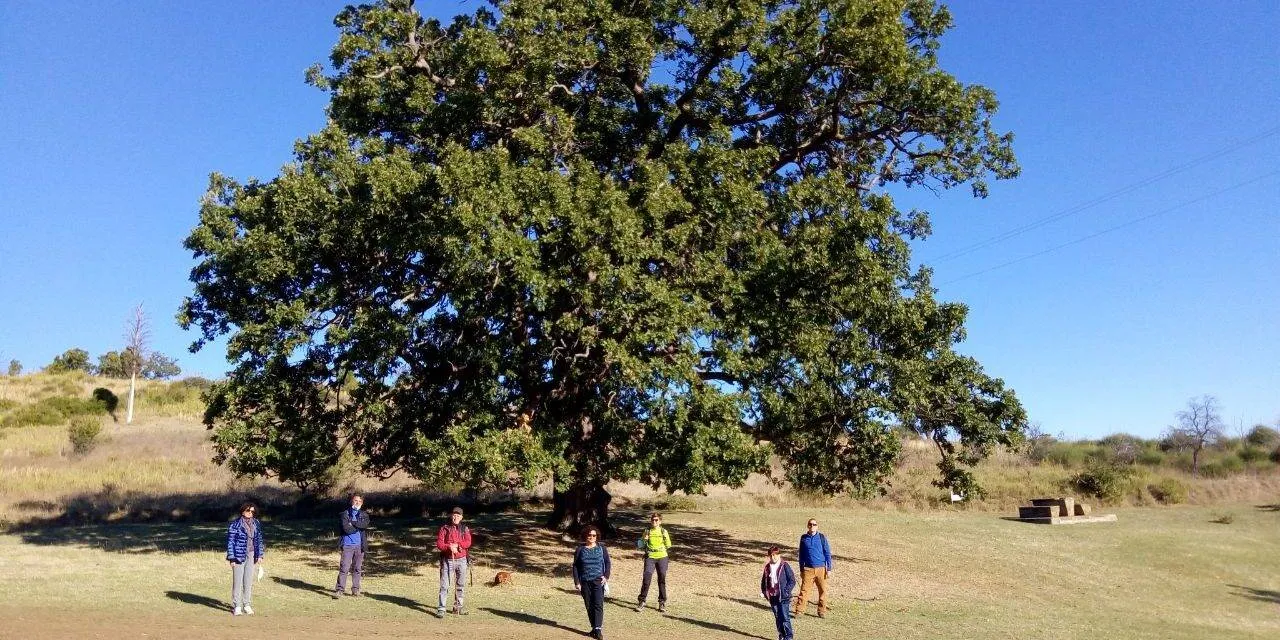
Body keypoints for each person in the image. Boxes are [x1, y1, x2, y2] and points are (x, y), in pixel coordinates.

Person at [572, 525, 612, 640]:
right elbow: (575, 566)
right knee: (589, 605)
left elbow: (607, 563)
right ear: (585, 536)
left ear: (597, 536)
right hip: (585, 582)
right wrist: (577, 582)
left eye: (594, 535)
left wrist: (606, 576)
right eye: (589, 535)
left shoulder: (602, 548)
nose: (591, 537)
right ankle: (594, 628)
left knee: (598, 604)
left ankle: (598, 629)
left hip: (598, 581)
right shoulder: (580, 549)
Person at [225, 502, 265, 616]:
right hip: (238, 556)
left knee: (248, 581)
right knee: (237, 581)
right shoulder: (235, 524)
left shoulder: (256, 523)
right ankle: (237, 606)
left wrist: (260, 555)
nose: (250, 513)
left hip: (252, 555)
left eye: (252, 511)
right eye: (248, 511)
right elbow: (230, 542)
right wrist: (232, 558)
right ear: (243, 511)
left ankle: (247, 604)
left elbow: (259, 539)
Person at [792, 517, 833, 618]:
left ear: (817, 526)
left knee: (823, 590)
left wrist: (829, 569)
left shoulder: (822, 538)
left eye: (814, 524)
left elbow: (827, 553)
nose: (812, 526)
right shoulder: (804, 538)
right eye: (810, 524)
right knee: (804, 591)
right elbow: (801, 555)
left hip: (821, 569)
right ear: (807, 526)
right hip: (808, 569)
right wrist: (801, 569)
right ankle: (799, 611)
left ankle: (821, 611)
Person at [435, 506, 472, 617]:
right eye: (454, 515)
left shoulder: (465, 529)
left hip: (461, 560)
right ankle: (441, 608)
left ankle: (458, 608)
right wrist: (448, 547)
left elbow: (468, 542)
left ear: (461, 517)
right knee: (444, 585)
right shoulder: (444, 528)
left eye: (458, 515)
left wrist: (458, 545)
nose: (455, 517)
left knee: (460, 584)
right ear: (451, 516)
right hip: (447, 560)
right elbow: (439, 544)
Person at [334, 493, 370, 598]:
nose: (357, 502)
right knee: (344, 568)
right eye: (355, 500)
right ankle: (340, 590)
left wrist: (353, 523)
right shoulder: (345, 514)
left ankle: (355, 590)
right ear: (351, 501)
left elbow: (364, 525)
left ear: (362, 503)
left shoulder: (364, 515)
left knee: (357, 569)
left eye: (359, 501)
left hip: (360, 546)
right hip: (347, 545)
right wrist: (357, 525)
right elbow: (346, 529)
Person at [634, 511, 673, 612]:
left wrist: (662, 545)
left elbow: (668, 545)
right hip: (650, 557)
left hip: (662, 557)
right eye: (652, 520)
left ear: (660, 521)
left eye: (656, 520)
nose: (654, 522)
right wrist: (645, 540)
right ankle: (642, 601)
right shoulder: (647, 531)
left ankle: (662, 602)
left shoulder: (663, 531)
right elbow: (640, 545)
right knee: (647, 578)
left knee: (662, 579)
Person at [760, 545, 795, 640]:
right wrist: (764, 591)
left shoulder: (784, 565)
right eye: (771, 555)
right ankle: (782, 634)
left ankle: (789, 636)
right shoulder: (767, 567)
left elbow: (792, 580)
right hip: (773, 596)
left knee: (785, 617)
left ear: (779, 555)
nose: (773, 557)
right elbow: (764, 581)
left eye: (775, 555)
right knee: (777, 617)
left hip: (783, 596)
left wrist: (786, 591)